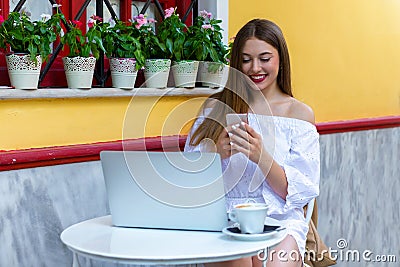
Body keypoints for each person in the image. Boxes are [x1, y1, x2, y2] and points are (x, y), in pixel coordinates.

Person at [184, 19, 320, 267]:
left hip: (279, 219)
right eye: (246, 60)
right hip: (222, 216)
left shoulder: (298, 114)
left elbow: (299, 195)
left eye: (265, 58)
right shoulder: (215, 108)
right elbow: (190, 180)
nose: (255, 68)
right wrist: (216, 154)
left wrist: (261, 156)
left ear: (281, 59)